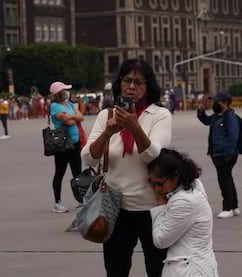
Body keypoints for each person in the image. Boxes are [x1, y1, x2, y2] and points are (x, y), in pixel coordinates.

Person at [81, 58, 172, 277]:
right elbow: (88, 158)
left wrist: (133, 125)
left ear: (148, 86)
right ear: (119, 83)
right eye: (127, 80)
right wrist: (107, 133)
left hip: (152, 208)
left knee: (157, 269)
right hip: (116, 207)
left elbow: (153, 156)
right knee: (116, 269)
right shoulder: (106, 116)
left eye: (138, 82)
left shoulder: (159, 115)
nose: (131, 87)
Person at [148, 148, 218, 277]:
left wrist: (160, 204)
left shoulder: (184, 201)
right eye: (152, 184)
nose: (156, 189)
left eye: (159, 184)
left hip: (189, 270)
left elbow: (160, 240)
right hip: (198, 265)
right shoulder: (195, 185)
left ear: (176, 175)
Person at [197, 91, 240, 219]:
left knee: (224, 180)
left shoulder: (230, 117)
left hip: (225, 154)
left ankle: (227, 208)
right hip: (217, 153)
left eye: (217, 102)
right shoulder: (217, 116)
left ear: (225, 103)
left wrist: (228, 154)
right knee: (228, 179)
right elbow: (206, 121)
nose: (214, 104)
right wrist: (201, 111)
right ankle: (234, 206)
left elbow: (233, 137)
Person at [49, 81, 84, 213]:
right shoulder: (55, 106)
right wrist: (74, 116)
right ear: (59, 93)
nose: (67, 92)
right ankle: (57, 202)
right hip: (63, 144)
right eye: (64, 90)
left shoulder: (69, 104)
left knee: (77, 173)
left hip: (75, 142)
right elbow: (69, 122)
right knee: (60, 172)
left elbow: (81, 117)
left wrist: (72, 115)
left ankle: (81, 200)